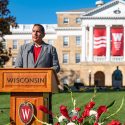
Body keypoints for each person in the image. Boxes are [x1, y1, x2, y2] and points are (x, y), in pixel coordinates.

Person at [15, 24, 60, 123]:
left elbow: (56, 67)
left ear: (43, 34)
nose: (35, 33)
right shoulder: (24, 48)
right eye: (33, 31)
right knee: (26, 115)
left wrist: (45, 73)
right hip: (25, 86)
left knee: (45, 114)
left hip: (44, 87)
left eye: (38, 31)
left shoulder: (50, 49)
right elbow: (17, 66)